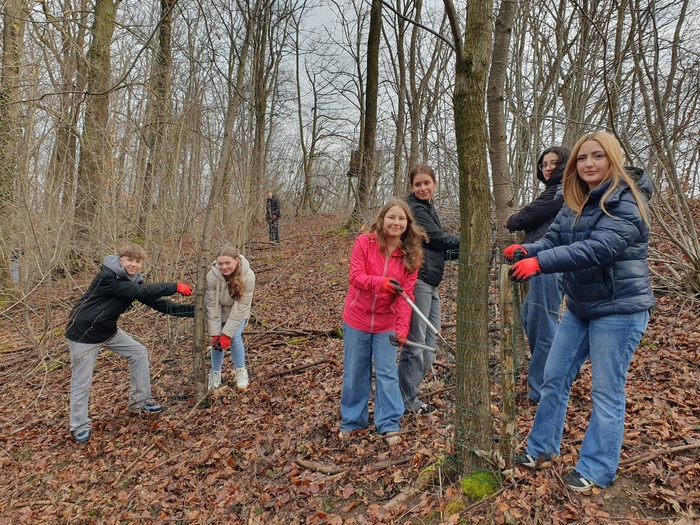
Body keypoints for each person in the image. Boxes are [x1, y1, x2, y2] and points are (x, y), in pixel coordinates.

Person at [504, 132, 655, 491]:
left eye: (598, 156)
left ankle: (597, 468)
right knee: (554, 377)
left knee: (606, 390)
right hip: (580, 306)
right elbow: (554, 238)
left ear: (613, 159)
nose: (589, 163)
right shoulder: (575, 199)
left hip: (619, 310)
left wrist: (541, 263)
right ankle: (541, 448)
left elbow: (598, 248)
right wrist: (528, 250)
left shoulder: (627, 201)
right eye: (583, 158)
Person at [65, 243, 195, 444]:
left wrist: (193, 311)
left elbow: (157, 303)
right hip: (83, 333)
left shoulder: (133, 282)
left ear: (142, 264)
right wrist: (174, 287)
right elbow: (141, 292)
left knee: (138, 352)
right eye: (129, 260)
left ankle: (140, 402)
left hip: (107, 330)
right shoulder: (107, 277)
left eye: (138, 261)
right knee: (82, 380)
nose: (133, 264)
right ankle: (79, 426)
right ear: (121, 260)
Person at [340, 198, 427, 445]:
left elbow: (406, 297)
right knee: (355, 371)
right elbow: (356, 276)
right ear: (382, 219)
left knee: (387, 372)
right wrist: (381, 283)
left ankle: (389, 423)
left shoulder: (411, 255)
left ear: (408, 223)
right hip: (357, 318)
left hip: (386, 323)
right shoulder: (364, 242)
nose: (396, 222)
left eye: (401, 218)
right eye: (392, 217)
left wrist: (401, 329)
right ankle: (352, 422)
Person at [504, 146, 570, 403]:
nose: (548, 168)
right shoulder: (554, 189)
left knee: (543, 325)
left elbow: (533, 213)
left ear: (564, 164)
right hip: (540, 261)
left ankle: (542, 390)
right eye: (544, 164)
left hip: (549, 264)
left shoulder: (563, 188)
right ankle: (557, 372)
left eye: (554, 163)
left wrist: (511, 221)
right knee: (530, 318)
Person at [399, 163, 460, 414]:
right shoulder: (414, 208)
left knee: (430, 345)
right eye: (418, 184)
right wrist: (469, 241)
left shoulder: (428, 207)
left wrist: (460, 252)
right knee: (417, 344)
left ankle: (405, 395)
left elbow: (435, 248)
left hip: (431, 281)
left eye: (426, 183)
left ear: (435, 184)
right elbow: (435, 238)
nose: (422, 188)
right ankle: (405, 400)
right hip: (419, 280)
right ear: (412, 187)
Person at [206, 245, 256, 390]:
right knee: (217, 343)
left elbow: (241, 307)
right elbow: (212, 305)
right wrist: (216, 334)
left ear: (236, 261)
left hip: (238, 311)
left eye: (228, 263)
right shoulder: (212, 276)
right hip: (219, 311)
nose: (224, 267)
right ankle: (215, 374)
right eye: (220, 263)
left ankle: (240, 372)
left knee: (235, 337)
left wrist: (227, 334)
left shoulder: (248, 276)